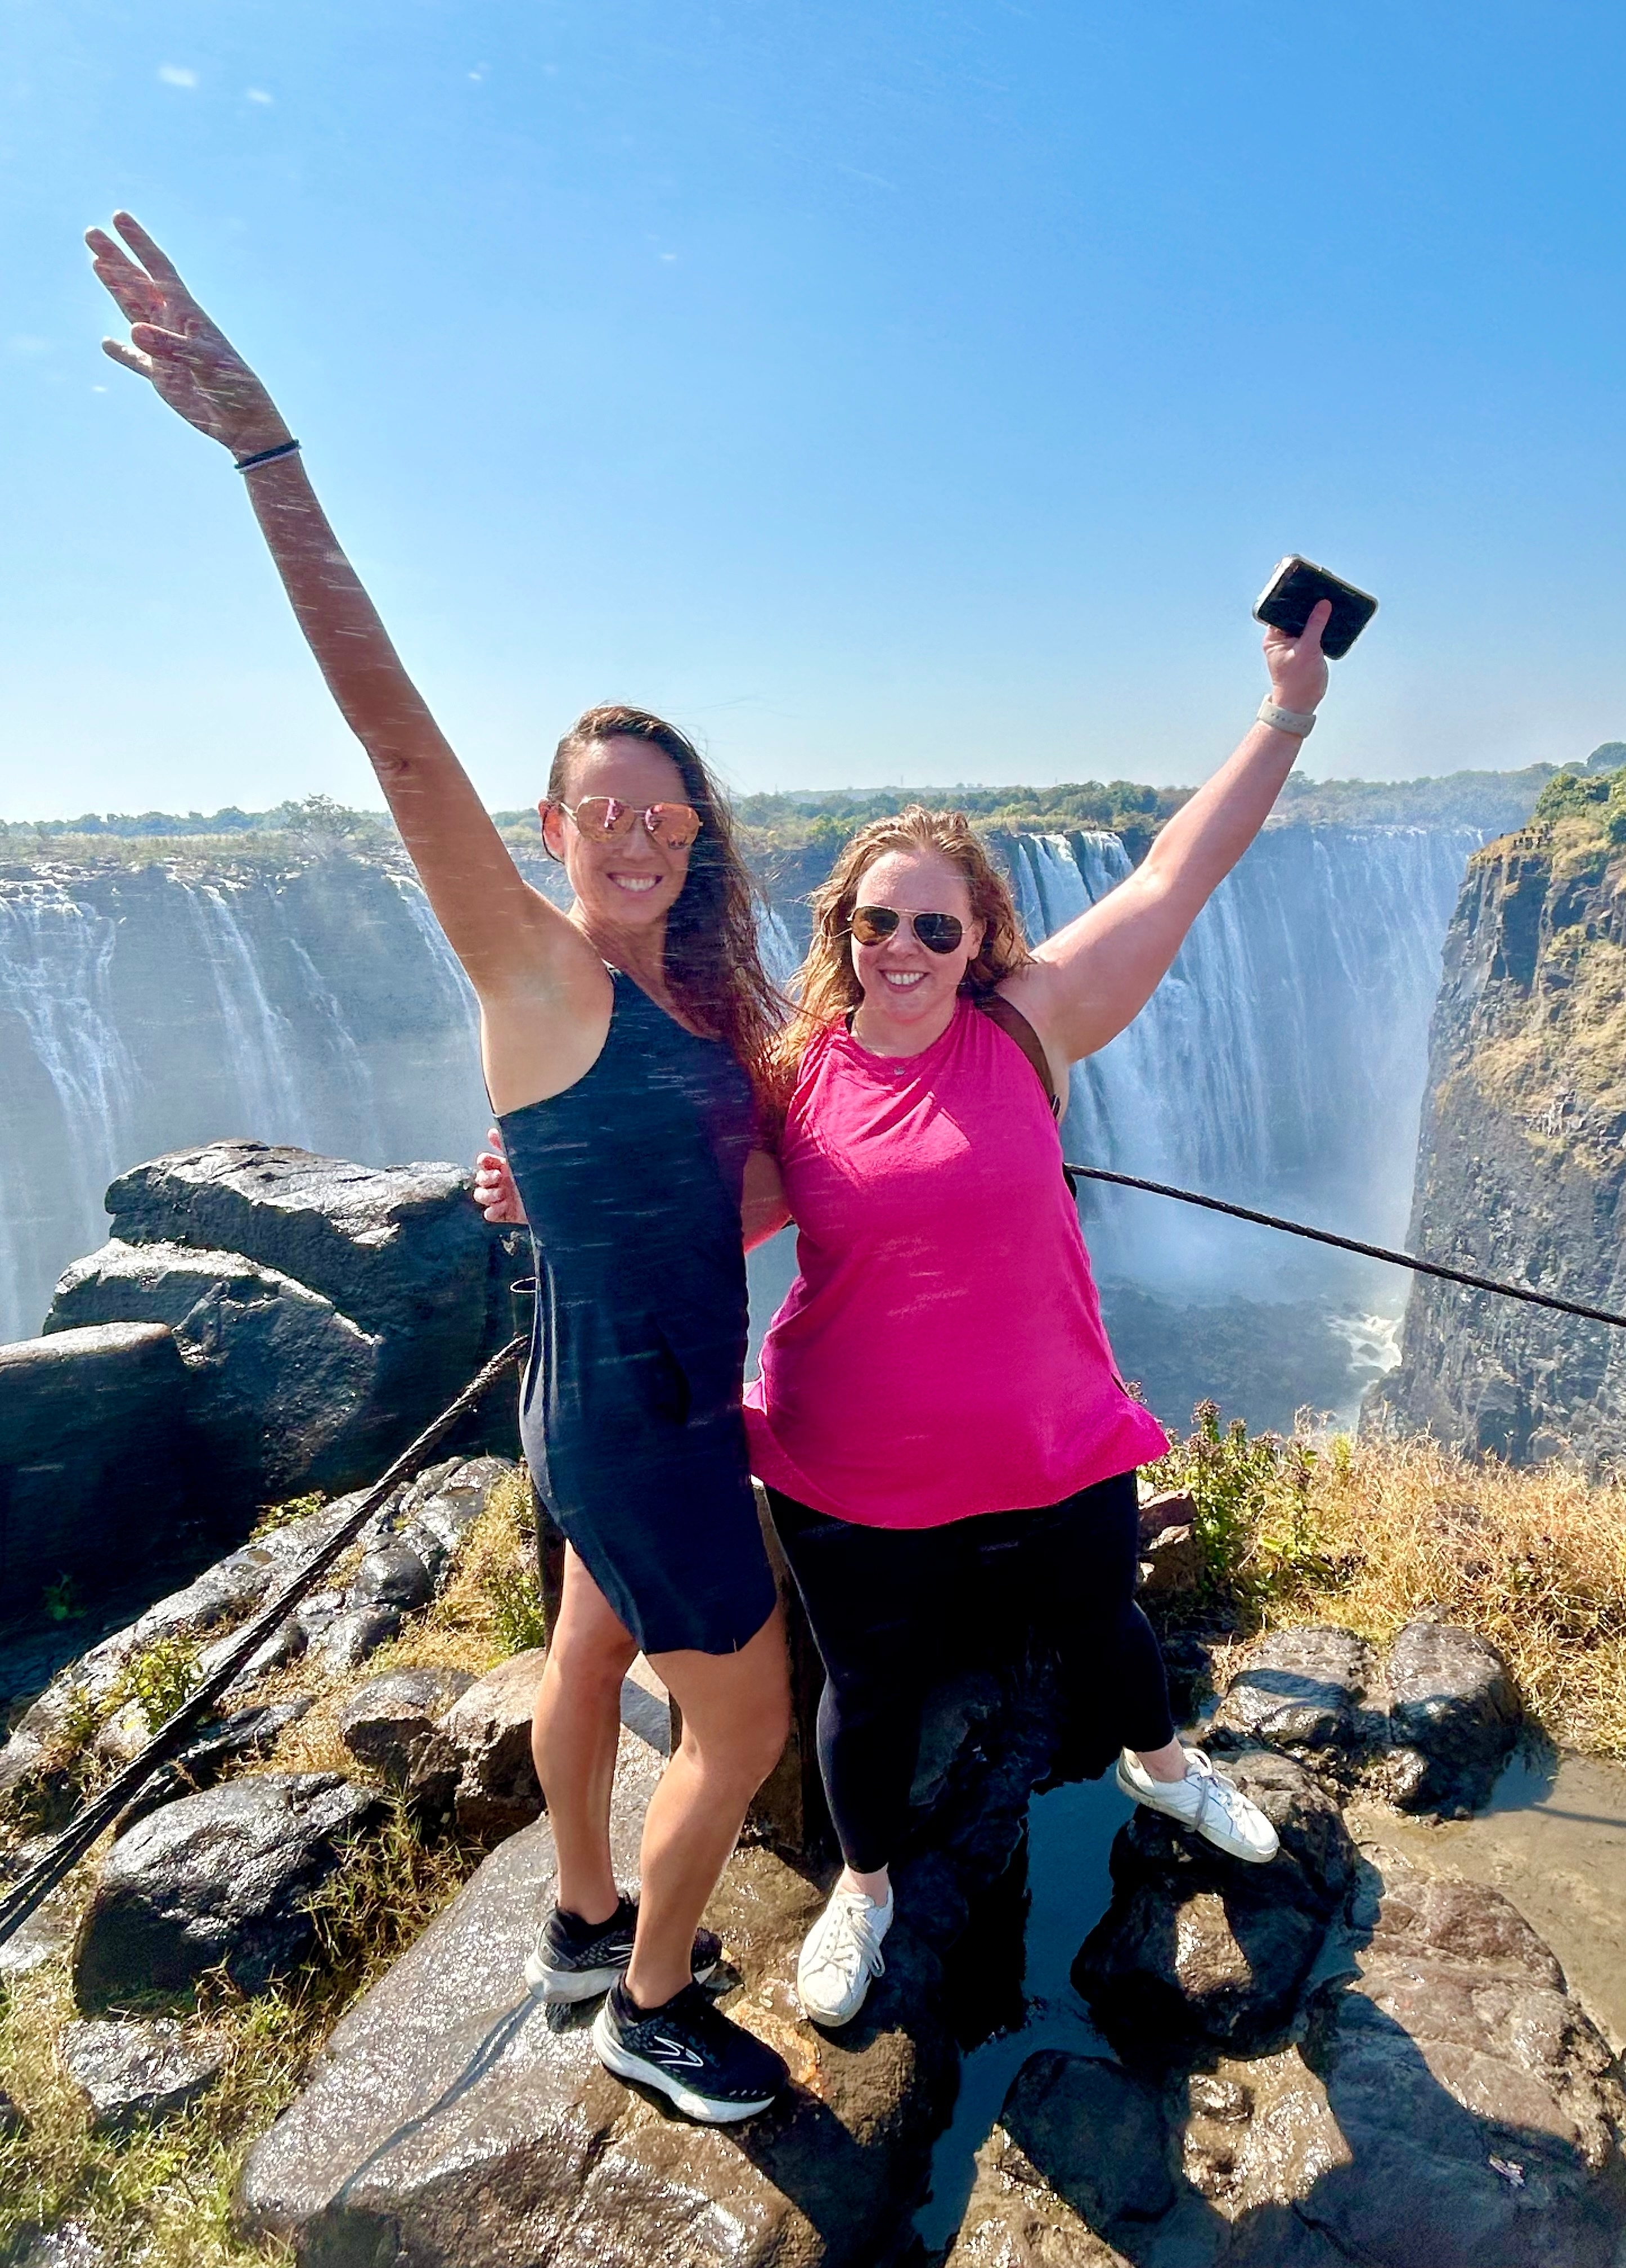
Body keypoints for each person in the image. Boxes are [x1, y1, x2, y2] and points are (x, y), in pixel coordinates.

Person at [87, 213, 794, 2124]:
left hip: (596, 1401)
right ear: (551, 828)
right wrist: (268, 458)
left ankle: (577, 1917)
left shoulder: (679, 993)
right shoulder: (541, 969)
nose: (640, 836)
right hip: (641, 1424)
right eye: (603, 812)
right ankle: (652, 2000)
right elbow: (399, 750)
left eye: (669, 812)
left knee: (584, 1650)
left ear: (692, 829)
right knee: (742, 1719)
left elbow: (708, 1189)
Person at [479, 602, 1333, 2028]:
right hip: (852, 1467)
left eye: (938, 923)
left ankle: (1165, 1769)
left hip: (1052, 1436)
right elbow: (687, 1189)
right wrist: (537, 1180)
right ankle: (861, 1890)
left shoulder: (1031, 1024)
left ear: (981, 933)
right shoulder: (796, 1073)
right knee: (866, 1693)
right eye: (879, 919)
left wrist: (1287, 713)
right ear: (845, 928)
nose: (906, 945)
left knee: (1104, 1616)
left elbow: (1183, 872)